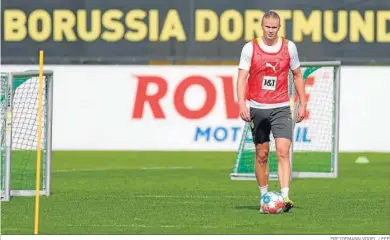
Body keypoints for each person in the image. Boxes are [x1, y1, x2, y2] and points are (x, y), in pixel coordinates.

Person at [236, 10, 307, 213]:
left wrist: (303, 103)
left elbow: (297, 75)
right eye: (267, 27)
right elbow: (241, 78)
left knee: (284, 151)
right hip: (258, 107)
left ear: (279, 28)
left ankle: (284, 197)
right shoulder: (250, 48)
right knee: (262, 154)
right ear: (262, 26)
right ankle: (264, 196)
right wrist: (242, 104)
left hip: (282, 106)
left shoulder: (289, 47)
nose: (270, 30)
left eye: (274, 27)